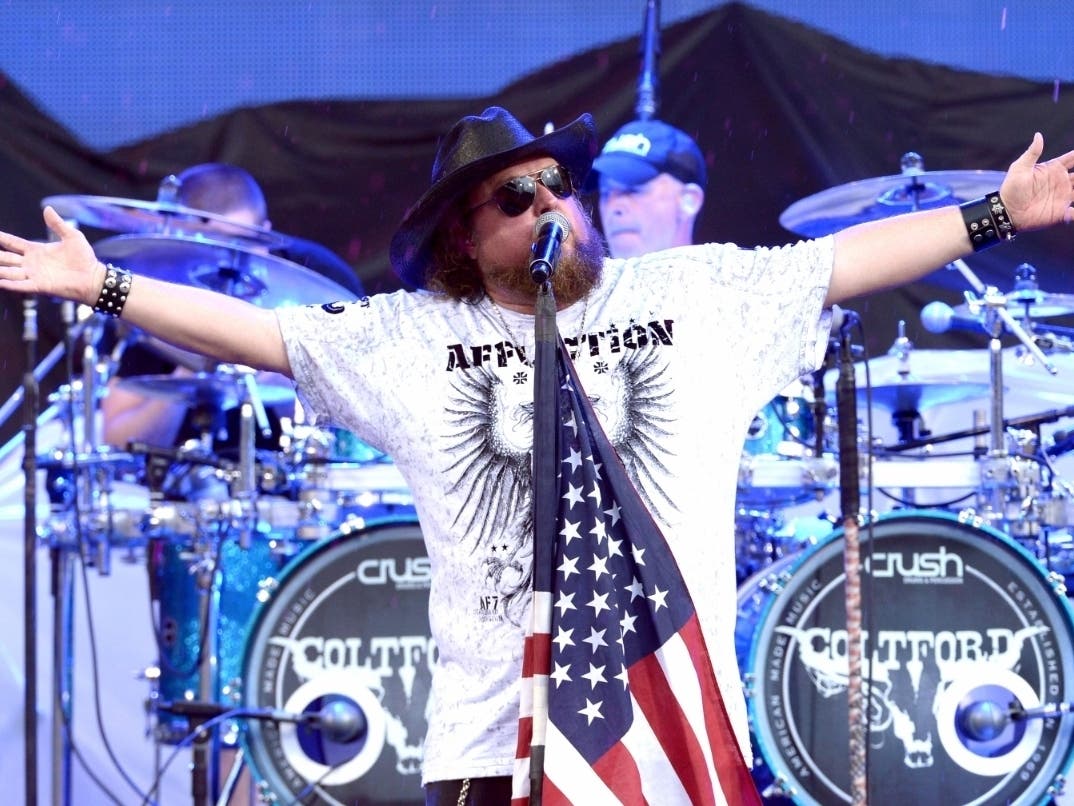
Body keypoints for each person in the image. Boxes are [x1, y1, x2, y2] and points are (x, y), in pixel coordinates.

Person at [2, 106, 1072, 804]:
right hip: (490, 747)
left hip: (670, 730)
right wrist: (98, 285)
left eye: (554, 183)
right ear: (467, 236)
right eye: (514, 198)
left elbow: (843, 261)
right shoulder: (411, 338)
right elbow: (266, 338)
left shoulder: (689, 295)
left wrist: (994, 215)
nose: (548, 203)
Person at [101, 162, 364, 452]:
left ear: (265, 232)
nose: (228, 265)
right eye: (210, 247)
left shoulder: (316, 278)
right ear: (181, 240)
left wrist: (288, 384)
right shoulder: (155, 290)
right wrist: (194, 362)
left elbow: (362, 434)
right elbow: (116, 437)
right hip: (181, 485)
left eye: (243, 244)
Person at [586, 118, 707, 259]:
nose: (614, 206)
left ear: (689, 200)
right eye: (605, 193)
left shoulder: (727, 277)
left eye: (633, 189)